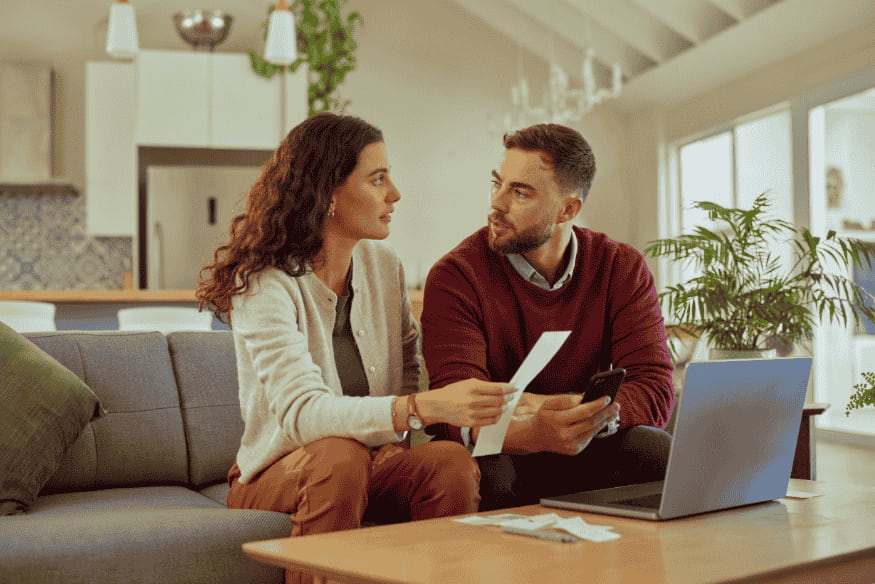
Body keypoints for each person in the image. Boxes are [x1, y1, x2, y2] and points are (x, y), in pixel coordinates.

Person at [196, 113, 512, 584]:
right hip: (276, 473)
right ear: (327, 194)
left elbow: (407, 363)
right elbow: (303, 414)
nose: (395, 194)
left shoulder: (383, 266)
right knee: (337, 457)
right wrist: (415, 407)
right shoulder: (265, 285)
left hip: (370, 461)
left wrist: (398, 438)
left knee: (449, 463)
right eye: (377, 179)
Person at [420, 123, 674, 511]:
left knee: (654, 450)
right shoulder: (457, 275)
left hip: (586, 445)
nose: (497, 204)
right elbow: (456, 404)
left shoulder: (620, 267)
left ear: (568, 209)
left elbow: (654, 386)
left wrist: (577, 414)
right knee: (488, 472)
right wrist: (533, 430)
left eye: (520, 192)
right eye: (498, 183)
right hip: (501, 447)